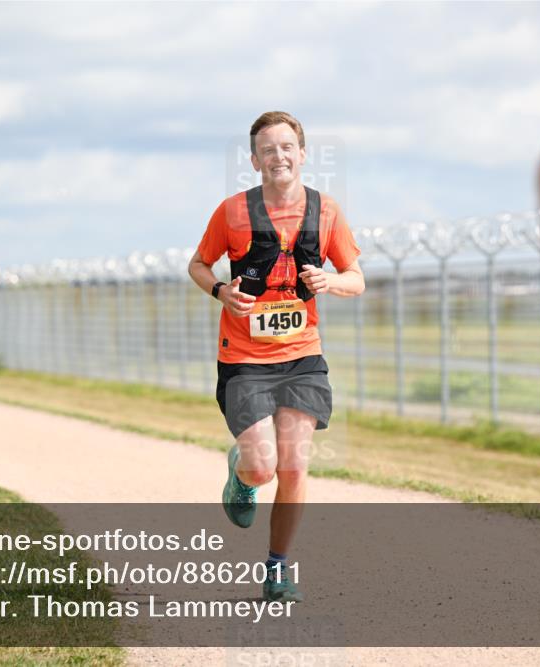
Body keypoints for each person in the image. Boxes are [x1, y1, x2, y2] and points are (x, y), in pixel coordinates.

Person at [189, 111, 365, 603]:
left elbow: (357, 277)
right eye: (268, 149)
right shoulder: (232, 212)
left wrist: (331, 281)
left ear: (302, 154)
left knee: (293, 466)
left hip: (303, 356)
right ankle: (242, 475)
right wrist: (221, 291)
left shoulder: (326, 212)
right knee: (263, 466)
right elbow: (198, 264)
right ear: (254, 160)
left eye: (287, 147)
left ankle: (279, 566)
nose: (278, 156)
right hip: (244, 356)